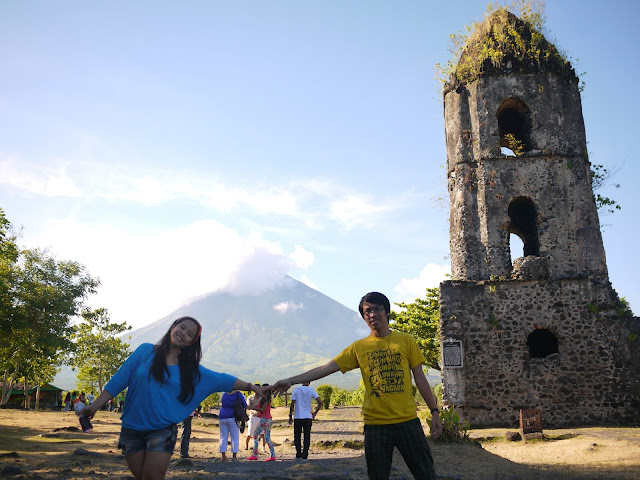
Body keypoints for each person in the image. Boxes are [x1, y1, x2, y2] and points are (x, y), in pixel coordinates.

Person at [273, 292, 443, 480]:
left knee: (426, 474)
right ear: (363, 317)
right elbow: (326, 368)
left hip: (407, 422)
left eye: (377, 309)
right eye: (367, 311)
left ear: (387, 312)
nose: (372, 314)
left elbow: (420, 378)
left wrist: (434, 411)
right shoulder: (359, 347)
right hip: (375, 426)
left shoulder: (406, 340)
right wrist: (291, 380)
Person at [81, 316, 268, 480]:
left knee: (153, 477)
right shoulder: (144, 351)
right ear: (173, 327)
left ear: (191, 342)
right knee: (141, 476)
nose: (183, 333)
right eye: (182, 327)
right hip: (131, 427)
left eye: (189, 334)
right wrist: (95, 406)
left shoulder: (190, 370)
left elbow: (221, 379)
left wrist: (252, 387)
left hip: (162, 429)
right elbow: (118, 381)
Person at [289, 382, 322, 460]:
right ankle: (305, 455)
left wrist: (290, 415)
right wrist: (315, 412)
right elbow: (320, 402)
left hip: (298, 416)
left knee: (297, 436)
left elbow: (292, 404)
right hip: (308, 416)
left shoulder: (296, 390)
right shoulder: (311, 390)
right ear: (309, 382)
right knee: (307, 436)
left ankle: (298, 454)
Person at [246, 383, 276, 462]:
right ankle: (272, 455)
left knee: (255, 435)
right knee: (267, 437)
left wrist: (252, 407)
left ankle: (255, 454)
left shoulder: (264, 399)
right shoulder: (267, 398)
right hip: (268, 419)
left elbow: (262, 409)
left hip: (264, 419)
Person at [219, 390, 246, 462]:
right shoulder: (238, 394)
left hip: (222, 416)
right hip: (233, 417)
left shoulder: (224, 394)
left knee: (223, 437)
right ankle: (234, 457)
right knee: (234, 437)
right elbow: (244, 404)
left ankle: (223, 456)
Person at [245, 383, 266, 452]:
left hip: (260, 416)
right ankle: (246, 446)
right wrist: (254, 411)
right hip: (253, 416)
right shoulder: (250, 398)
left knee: (262, 433)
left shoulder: (262, 398)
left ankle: (263, 447)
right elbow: (248, 407)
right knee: (250, 431)